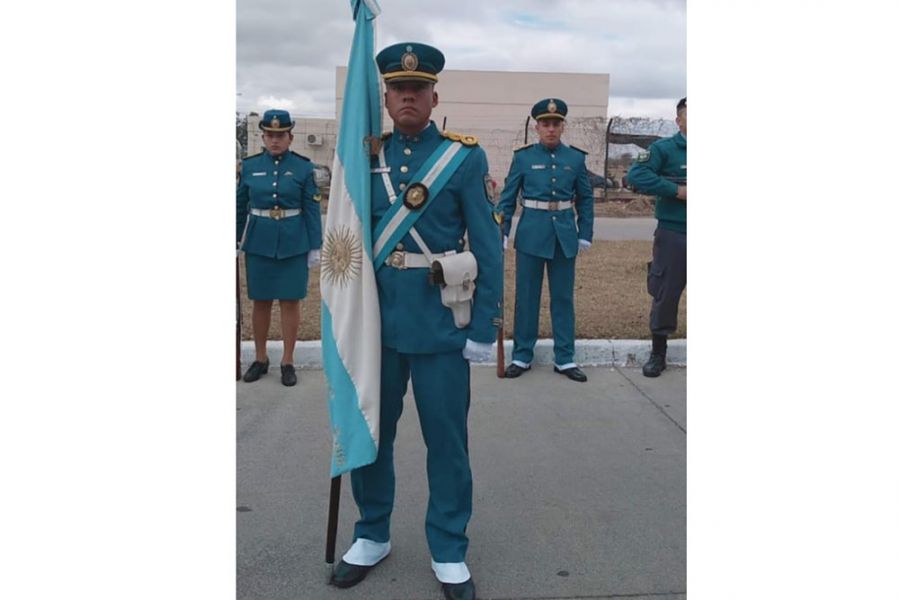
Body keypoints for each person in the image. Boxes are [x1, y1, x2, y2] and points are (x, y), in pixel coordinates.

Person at [329, 42, 502, 600]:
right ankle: (372, 533)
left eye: (418, 89)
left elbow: (488, 245)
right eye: (399, 90)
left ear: (433, 97)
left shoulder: (463, 158)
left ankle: (448, 547)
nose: (408, 97)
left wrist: (483, 328)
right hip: (375, 329)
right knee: (372, 436)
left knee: (447, 443)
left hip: (441, 327)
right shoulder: (365, 157)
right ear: (385, 98)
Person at [496, 98, 595, 382]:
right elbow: (507, 198)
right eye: (545, 124)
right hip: (531, 234)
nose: (551, 129)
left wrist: (585, 233)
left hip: (564, 235)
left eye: (556, 123)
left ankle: (565, 358)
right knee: (526, 297)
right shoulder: (523, 157)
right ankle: (522, 355)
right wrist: (502, 231)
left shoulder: (575, 159)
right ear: (537, 127)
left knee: (563, 298)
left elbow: (586, 199)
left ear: (563, 126)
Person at [236, 109, 322, 387]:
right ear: (263, 136)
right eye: (270, 135)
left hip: (293, 243)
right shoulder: (250, 166)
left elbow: (311, 207)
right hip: (259, 242)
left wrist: (315, 245)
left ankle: (287, 361)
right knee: (260, 301)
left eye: (280, 135)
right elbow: (240, 205)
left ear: (290, 137)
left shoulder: (303, 168)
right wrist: (234, 238)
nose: (275, 140)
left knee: (290, 302)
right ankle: (260, 358)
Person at [627, 97, 687, 377]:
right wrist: (677, 191)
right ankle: (658, 353)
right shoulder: (664, 149)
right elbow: (637, 175)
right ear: (679, 120)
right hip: (676, 232)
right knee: (666, 293)